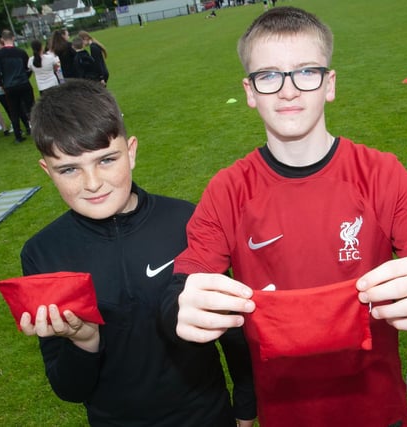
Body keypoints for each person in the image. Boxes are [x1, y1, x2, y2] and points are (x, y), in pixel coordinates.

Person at [161, 6, 407, 426]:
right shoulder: (228, 191)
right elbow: (177, 295)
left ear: (329, 84)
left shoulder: (380, 174)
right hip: (285, 415)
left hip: (377, 412)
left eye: (305, 72)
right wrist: (181, 309)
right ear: (250, 90)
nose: (288, 91)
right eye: (269, 75)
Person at [18, 79, 256, 426]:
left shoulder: (185, 221)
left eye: (106, 160)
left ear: (131, 151)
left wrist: (246, 404)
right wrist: (83, 342)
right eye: (69, 169)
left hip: (207, 415)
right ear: (47, 170)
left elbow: (233, 325)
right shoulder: (43, 253)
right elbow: (70, 389)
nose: (92, 183)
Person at [0, 29, 33, 143]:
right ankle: (34, 129)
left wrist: (1, 84)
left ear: (2, 40)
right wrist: (25, 77)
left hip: (9, 86)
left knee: (14, 110)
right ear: (13, 38)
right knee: (30, 107)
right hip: (23, 83)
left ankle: (18, 135)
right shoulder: (21, 52)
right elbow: (28, 68)